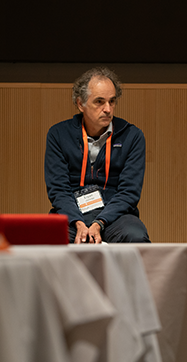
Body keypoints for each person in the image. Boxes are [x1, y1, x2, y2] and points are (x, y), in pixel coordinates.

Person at [45, 66, 150, 244]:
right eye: (99, 102)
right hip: (71, 216)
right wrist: (78, 222)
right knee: (46, 238)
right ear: (80, 104)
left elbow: (129, 192)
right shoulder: (58, 134)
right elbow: (58, 191)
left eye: (112, 101)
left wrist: (99, 223)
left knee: (135, 235)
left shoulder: (132, 136)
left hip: (115, 217)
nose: (108, 109)